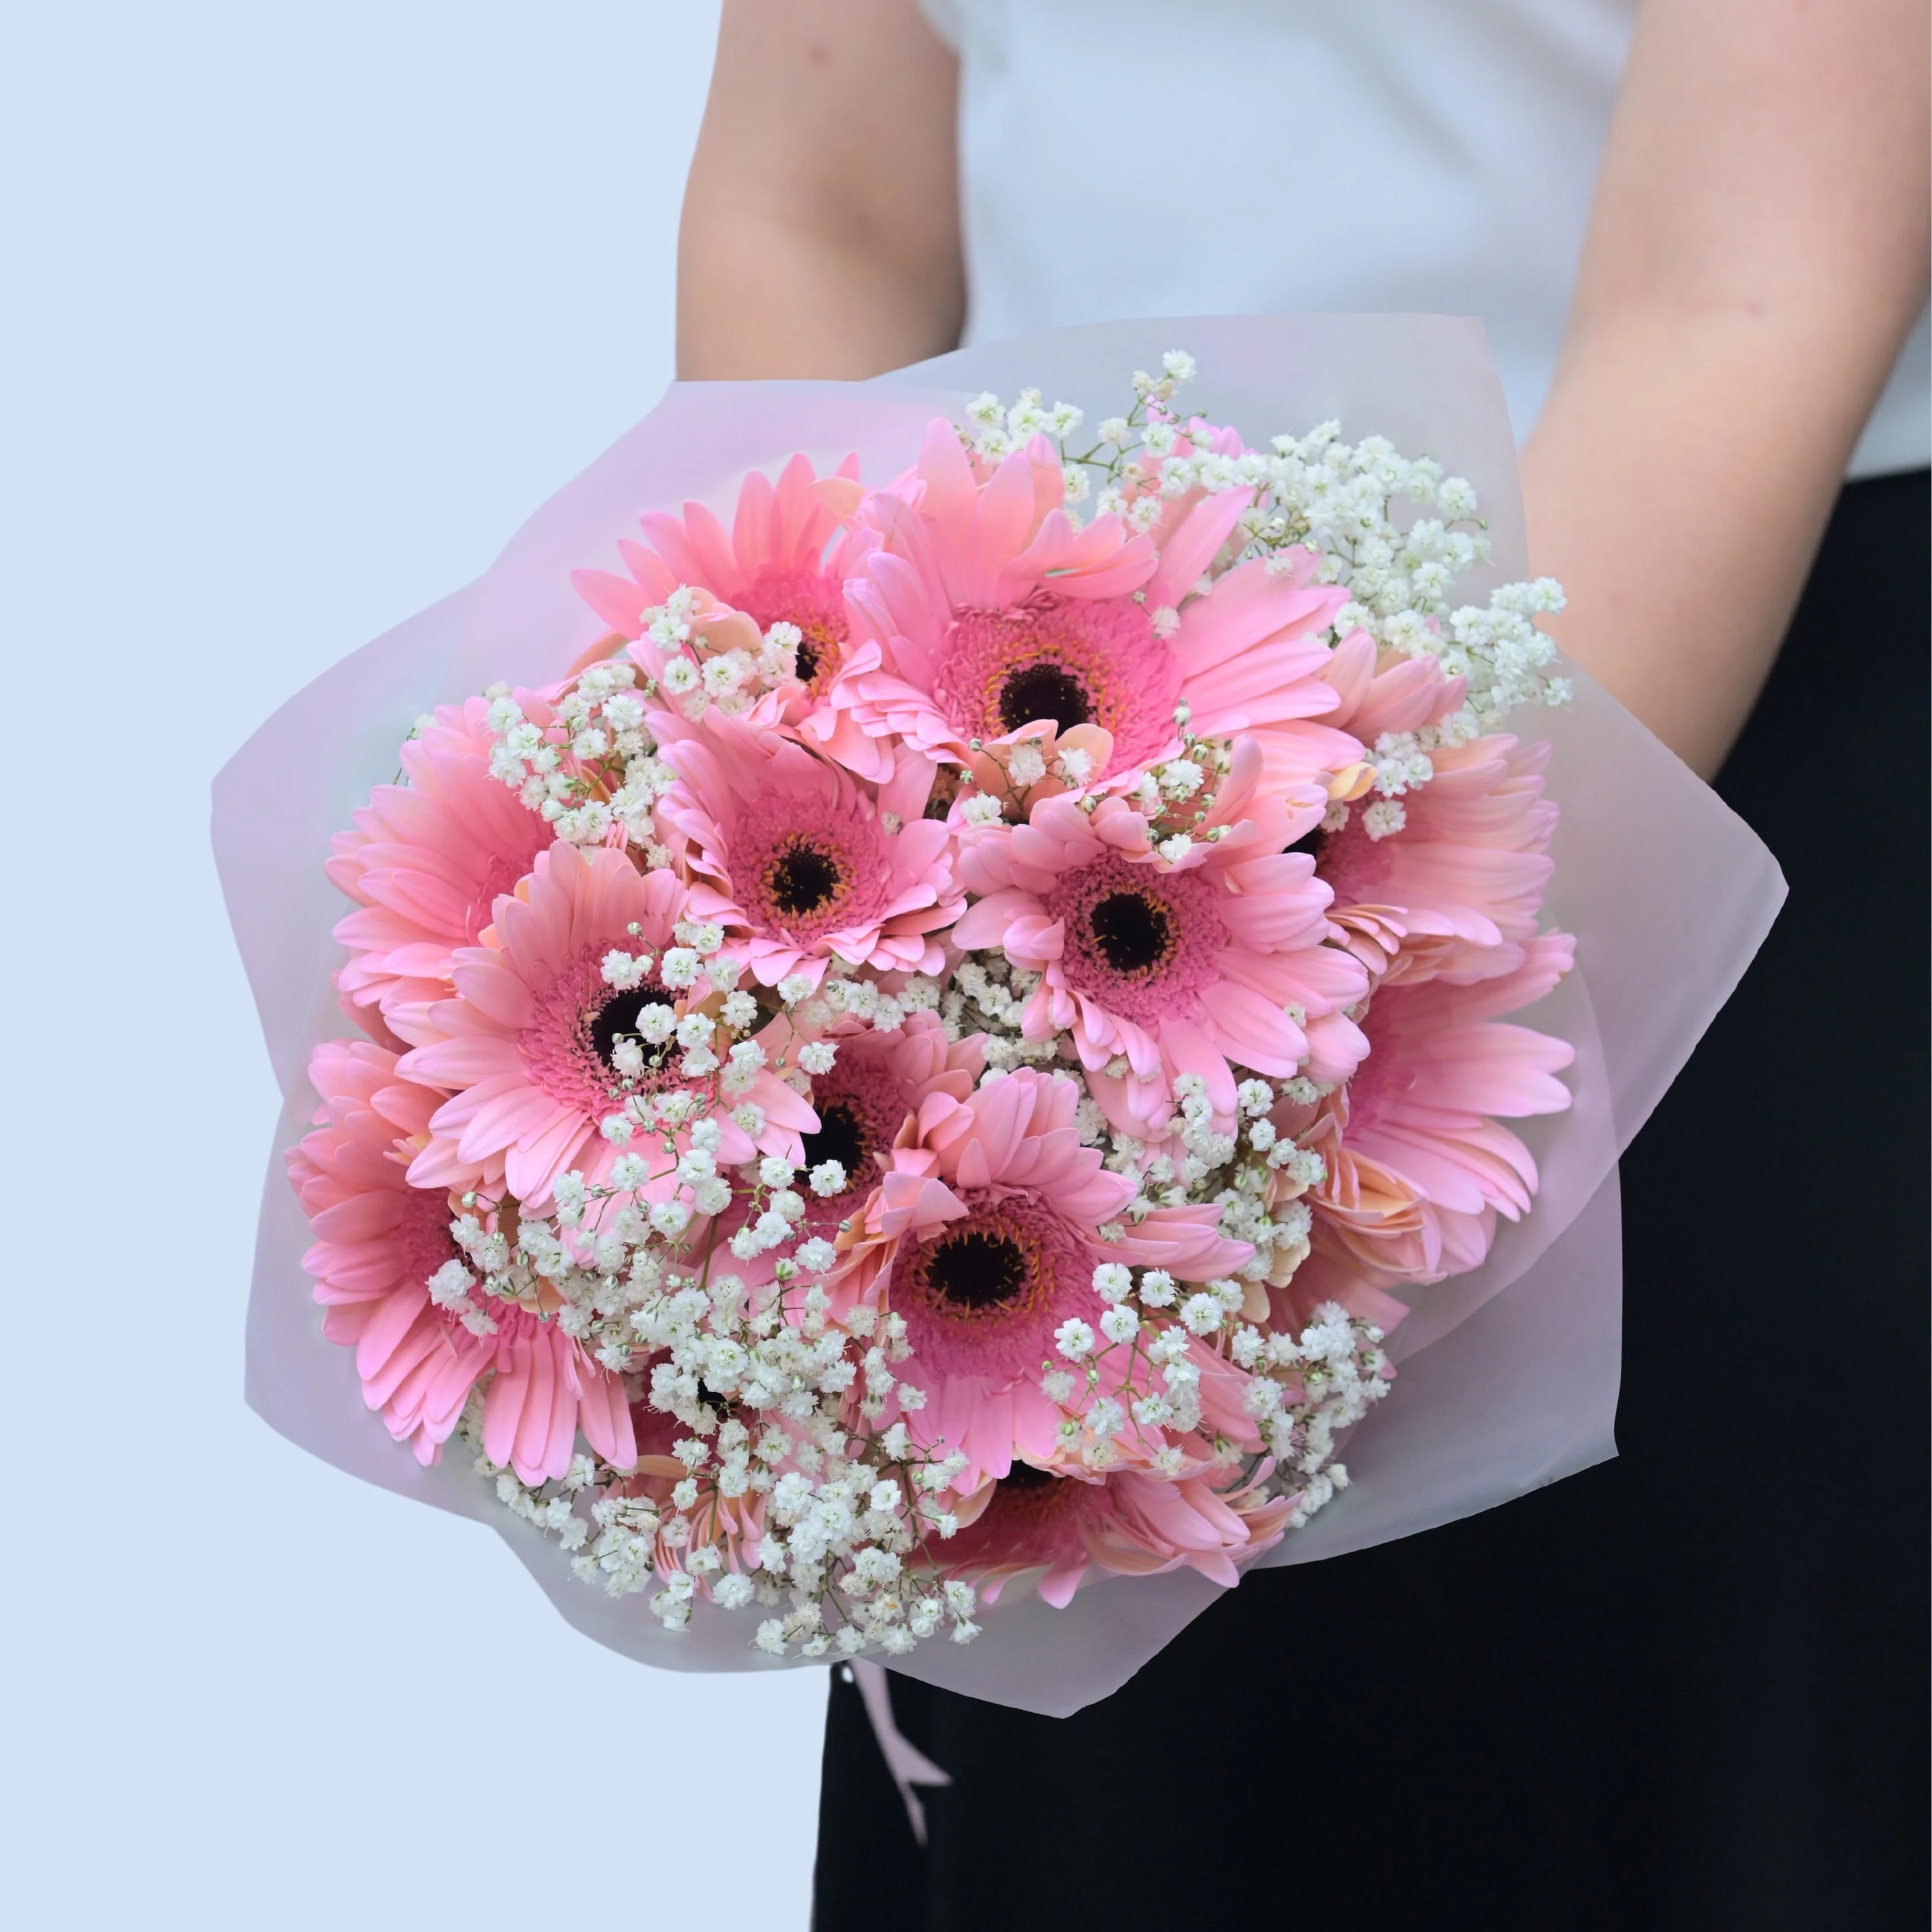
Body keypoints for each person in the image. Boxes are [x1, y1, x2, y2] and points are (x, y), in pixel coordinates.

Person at [677, 4, 1930, 1923]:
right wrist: (813, 846)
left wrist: (1323, 994)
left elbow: (1743, 294)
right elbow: (817, 202)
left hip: (1694, 734)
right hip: (1005, 785)